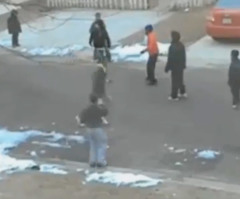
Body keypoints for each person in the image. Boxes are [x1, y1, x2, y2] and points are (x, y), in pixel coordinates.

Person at [79, 94, 109, 168]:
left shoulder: (86, 109)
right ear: (96, 100)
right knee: (102, 144)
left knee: (93, 144)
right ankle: (100, 161)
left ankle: (92, 161)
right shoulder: (98, 109)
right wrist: (102, 104)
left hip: (89, 129)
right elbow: (105, 112)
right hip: (97, 128)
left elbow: (82, 120)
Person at [165, 31, 187, 101]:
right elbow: (184, 56)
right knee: (180, 79)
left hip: (174, 67)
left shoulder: (172, 47)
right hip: (180, 66)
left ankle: (174, 95)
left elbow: (170, 58)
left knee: (174, 81)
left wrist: (167, 67)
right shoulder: (181, 45)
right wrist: (183, 65)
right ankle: (182, 92)